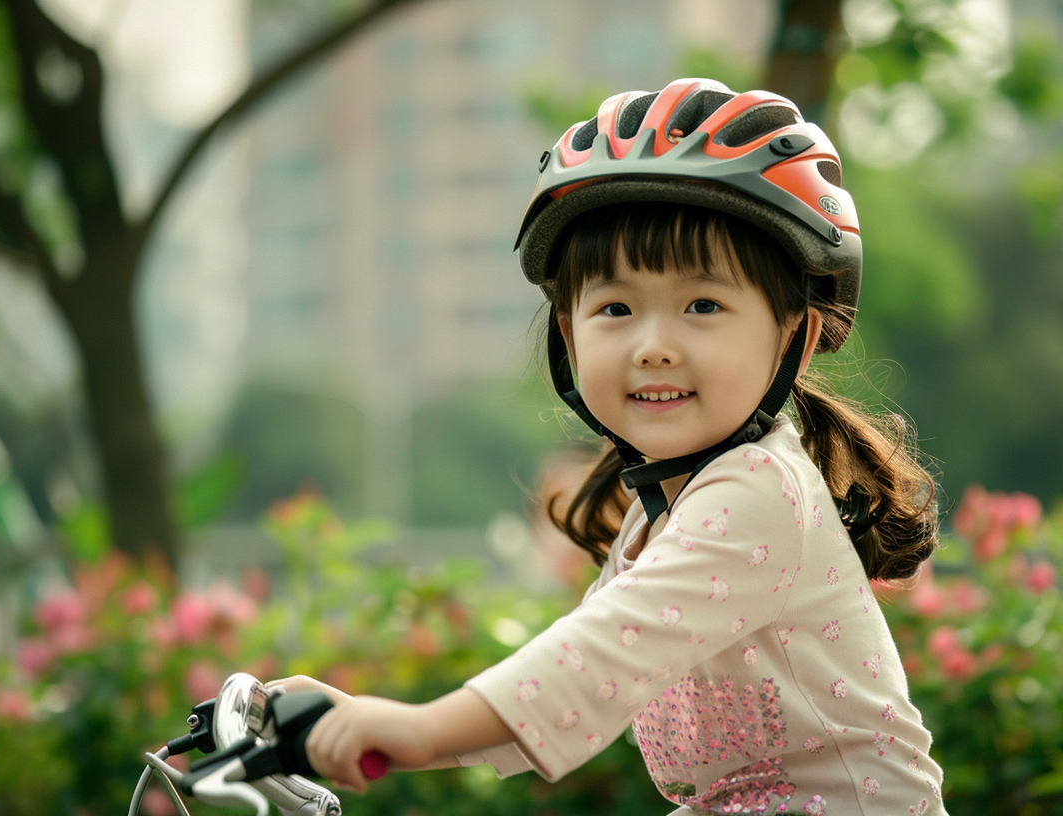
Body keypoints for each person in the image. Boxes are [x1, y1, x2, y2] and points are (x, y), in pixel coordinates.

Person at [269, 77, 948, 815]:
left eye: (703, 305)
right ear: (568, 333)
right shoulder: (659, 510)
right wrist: (364, 717)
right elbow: (567, 685)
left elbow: (596, 661)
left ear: (797, 335)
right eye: (616, 308)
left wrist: (417, 729)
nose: (653, 346)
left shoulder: (760, 491)